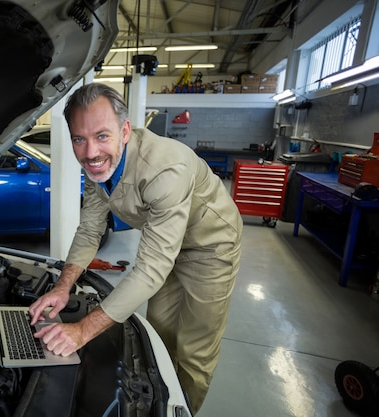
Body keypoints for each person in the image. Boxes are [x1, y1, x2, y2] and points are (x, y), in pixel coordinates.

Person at [28, 82, 242, 414]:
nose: (91, 153)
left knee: (194, 351)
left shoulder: (165, 168)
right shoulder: (100, 168)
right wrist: (63, 286)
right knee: (160, 333)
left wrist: (83, 330)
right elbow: (89, 230)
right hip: (167, 242)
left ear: (125, 130)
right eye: (79, 139)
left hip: (209, 247)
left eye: (102, 136)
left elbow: (151, 268)